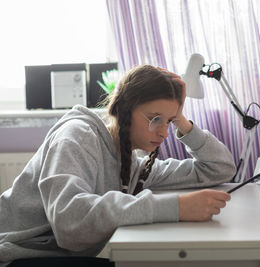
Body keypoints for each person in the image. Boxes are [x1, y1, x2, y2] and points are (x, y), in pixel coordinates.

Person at [0, 65, 236, 266]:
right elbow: (68, 222)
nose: (164, 132)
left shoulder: (131, 164)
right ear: (124, 110)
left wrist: (181, 121)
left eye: (169, 122)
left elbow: (219, 167)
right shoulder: (76, 137)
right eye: (154, 119)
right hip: (17, 256)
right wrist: (176, 208)